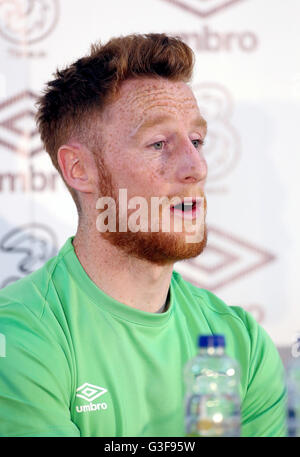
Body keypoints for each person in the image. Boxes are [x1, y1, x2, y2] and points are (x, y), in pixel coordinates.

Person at [0, 33, 287, 437]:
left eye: (197, 140)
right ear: (79, 169)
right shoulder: (19, 334)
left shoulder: (243, 342)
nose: (197, 167)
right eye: (158, 143)